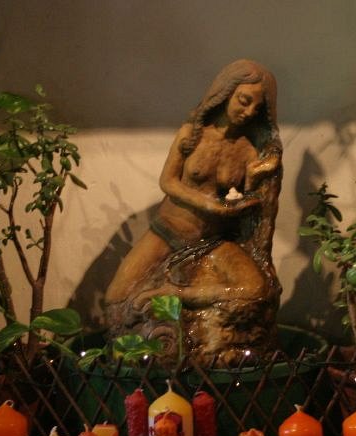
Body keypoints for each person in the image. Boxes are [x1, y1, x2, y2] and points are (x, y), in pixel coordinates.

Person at [105, 59, 282, 309]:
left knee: (254, 288)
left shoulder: (248, 151)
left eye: (257, 108)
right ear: (226, 93)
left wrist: (255, 180)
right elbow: (167, 182)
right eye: (244, 100)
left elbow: (247, 203)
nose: (249, 111)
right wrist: (210, 205)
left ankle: (174, 293)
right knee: (116, 297)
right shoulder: (192, 134)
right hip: (169, 230)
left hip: (213, 240)